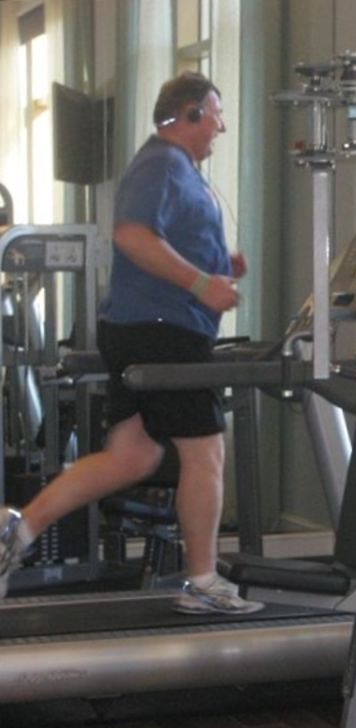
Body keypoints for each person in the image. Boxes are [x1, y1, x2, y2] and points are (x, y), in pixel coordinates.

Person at [0, 71, 263, 615]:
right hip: (163, 331)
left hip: (145, 326)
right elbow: (132, 235)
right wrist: (202, 284)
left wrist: (218, 264)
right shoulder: (161, 163)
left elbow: (163, 242)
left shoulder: (177, 168)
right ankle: (203, 582)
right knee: (206, 452)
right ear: (189, 114)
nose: (221, 127)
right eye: (216, 115)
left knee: (132, 456)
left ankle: (17, 532)